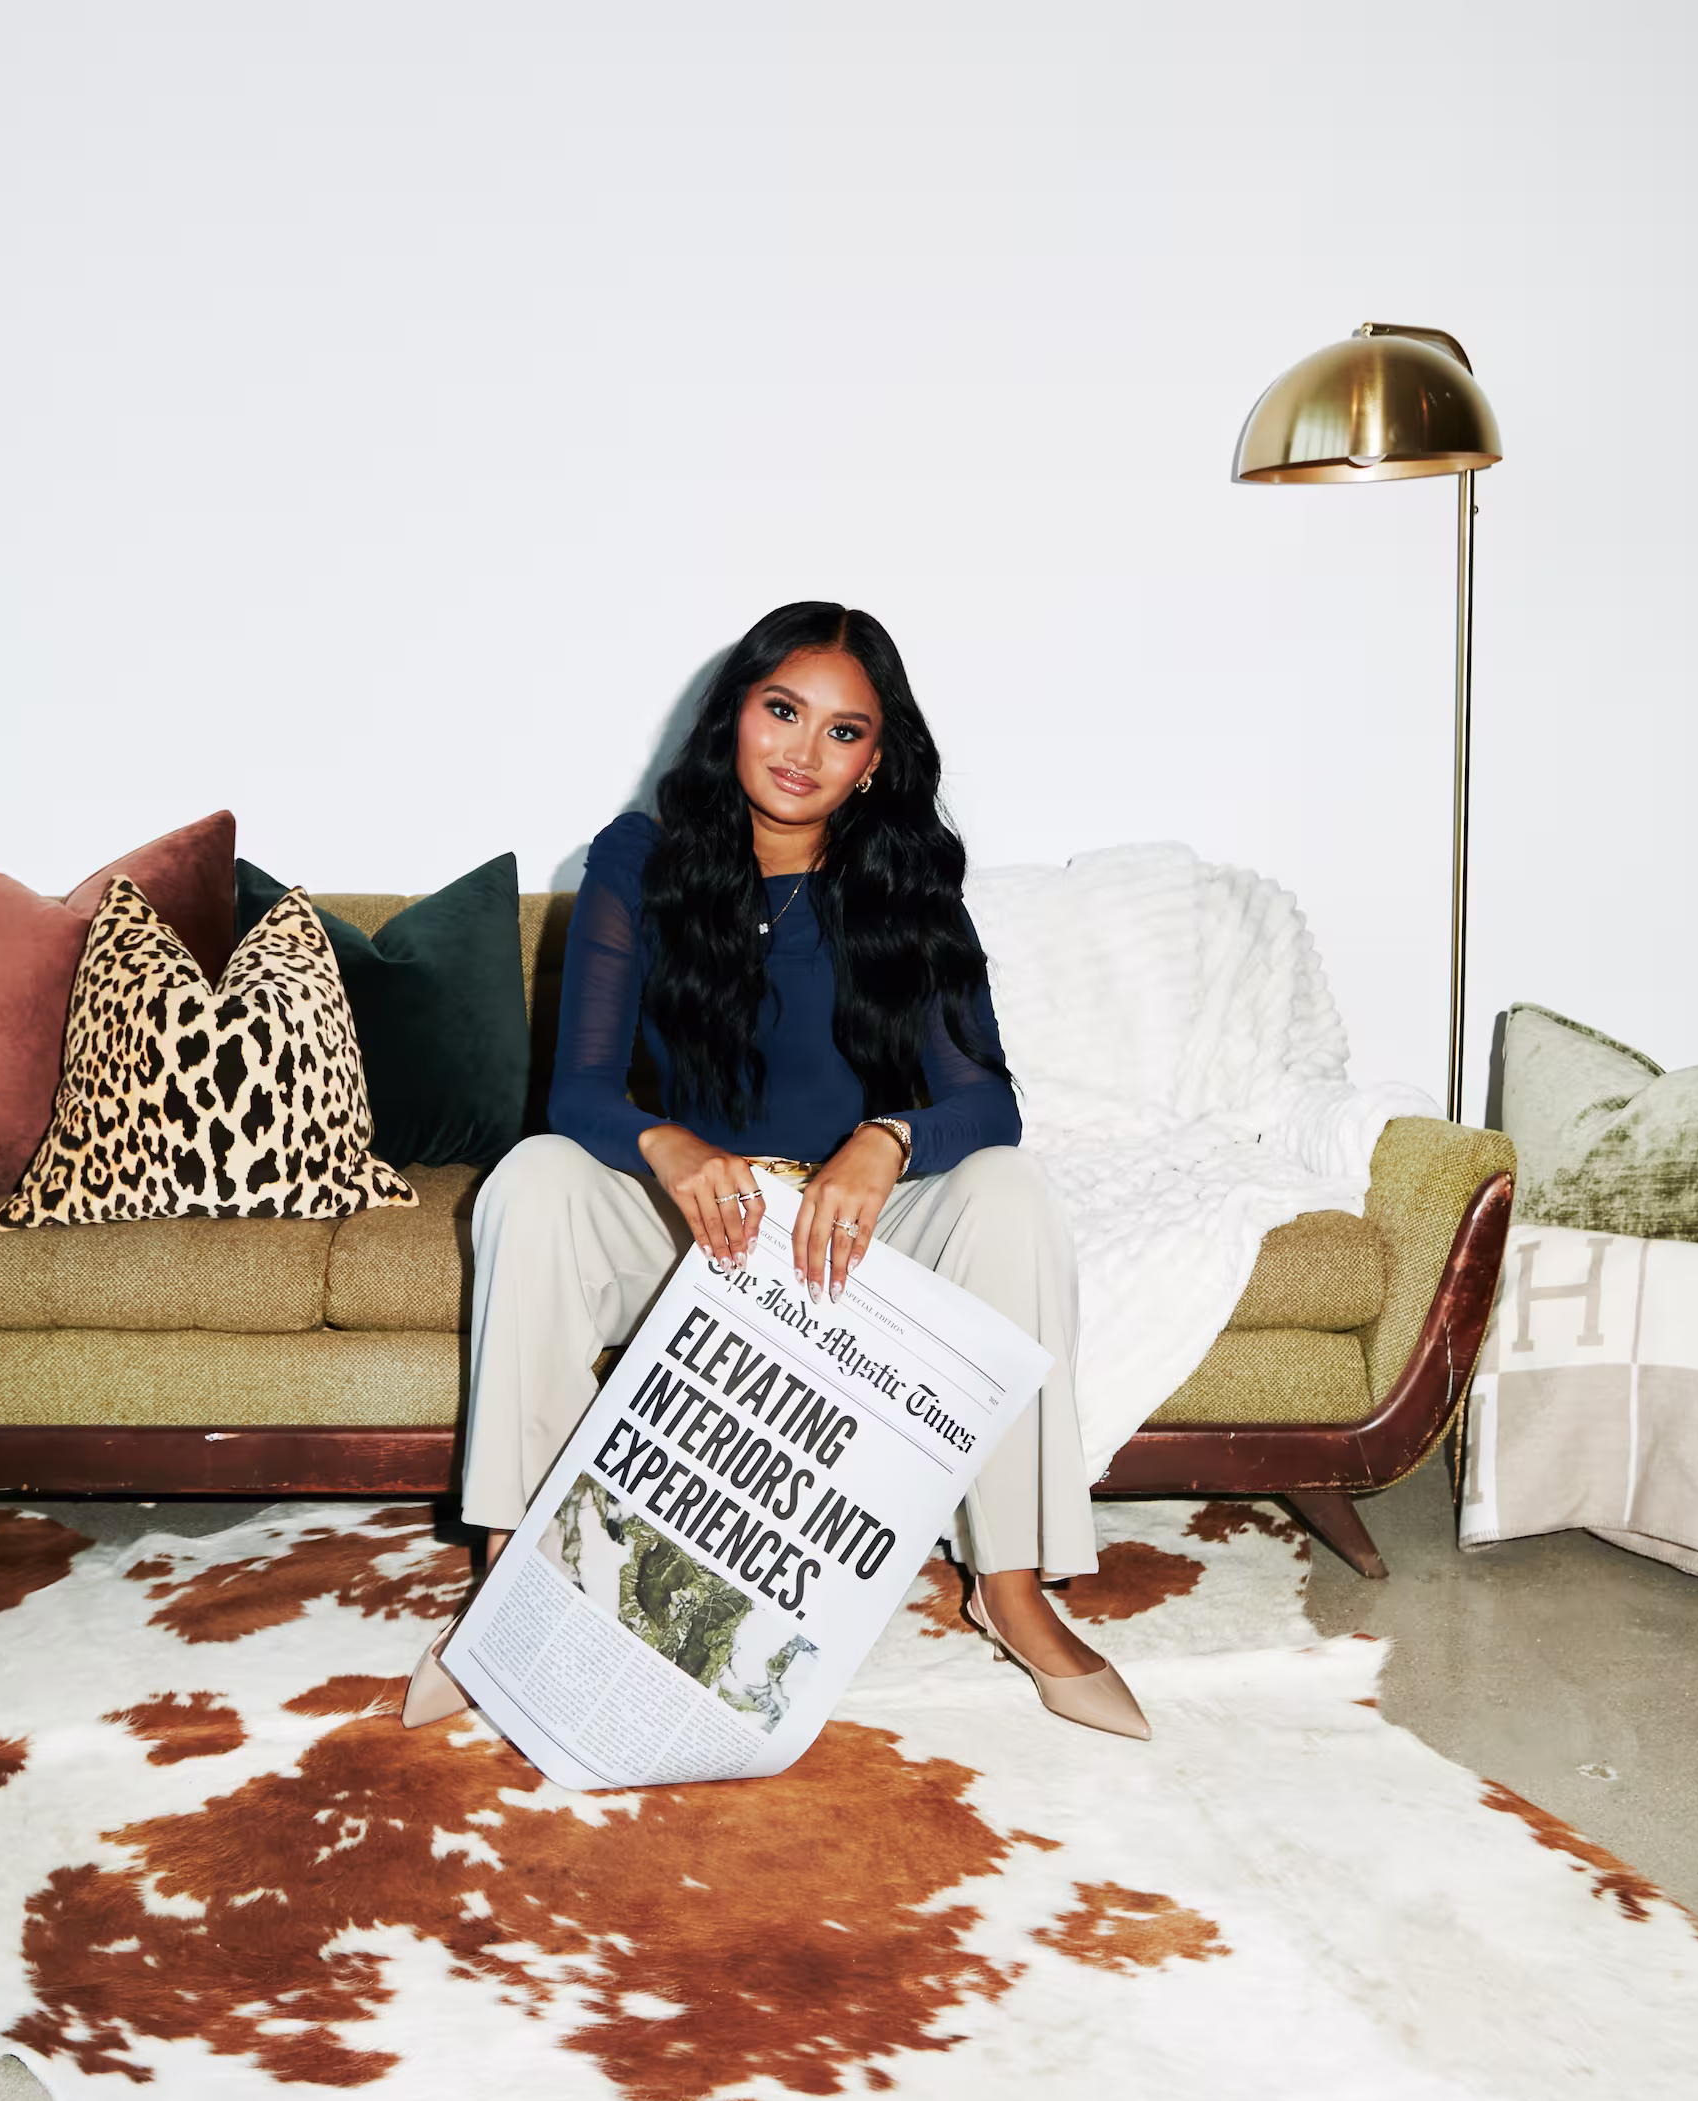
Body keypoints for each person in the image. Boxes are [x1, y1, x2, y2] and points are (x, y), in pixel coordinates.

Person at [407, 602, 1145, 1741]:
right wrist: (674, 1146)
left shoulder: (905, 881)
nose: (804, 751)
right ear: (733, 715)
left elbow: (987, 1102)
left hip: (847, 1229)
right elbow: (580, 1090)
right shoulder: (638, 856)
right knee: (535, 1178)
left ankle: (1013, 1587)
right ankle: (510, 1580)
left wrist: (886, 1139)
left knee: (1013, 1194)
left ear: (874, 762)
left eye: (844, 731)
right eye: (783, 711)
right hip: (699, 1215)